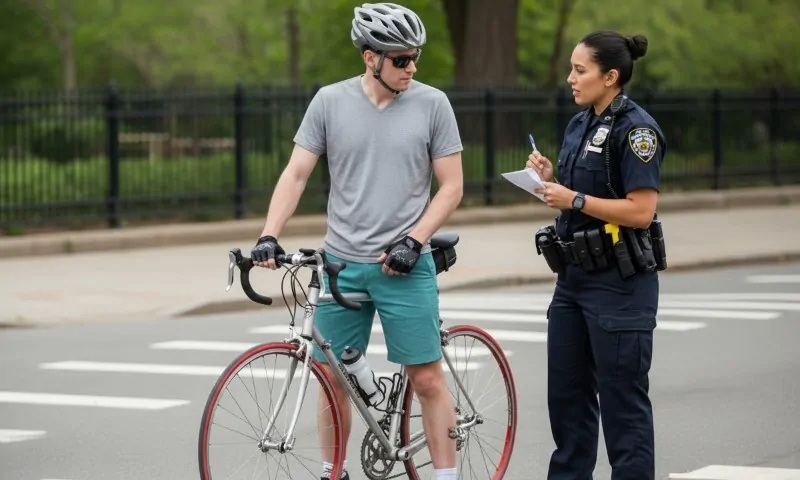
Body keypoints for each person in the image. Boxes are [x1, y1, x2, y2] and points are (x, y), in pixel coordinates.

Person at [249, 3, 464, 480]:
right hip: (341, 266)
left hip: (404, 265)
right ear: (371, 58)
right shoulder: (329, 101)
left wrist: (415, 240)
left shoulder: (433, 104)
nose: (412, 67)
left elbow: (451, 186)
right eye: (401, 59)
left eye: (415, 58)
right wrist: (269, 234)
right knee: (332, 380)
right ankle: (334, 472)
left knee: (426, 378)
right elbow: (297, 172)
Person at [528, 30, 668, 480]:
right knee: (567, 404)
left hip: (619, 285)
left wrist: (574, 200)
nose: (570, 78)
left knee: (623, 411)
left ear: (610, 76)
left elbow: (642, 211)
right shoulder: (580, 122)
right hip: (572, 281)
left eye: (580, 70)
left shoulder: (636, 129)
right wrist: (551, 178)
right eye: (571, 68)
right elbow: (579, 190)